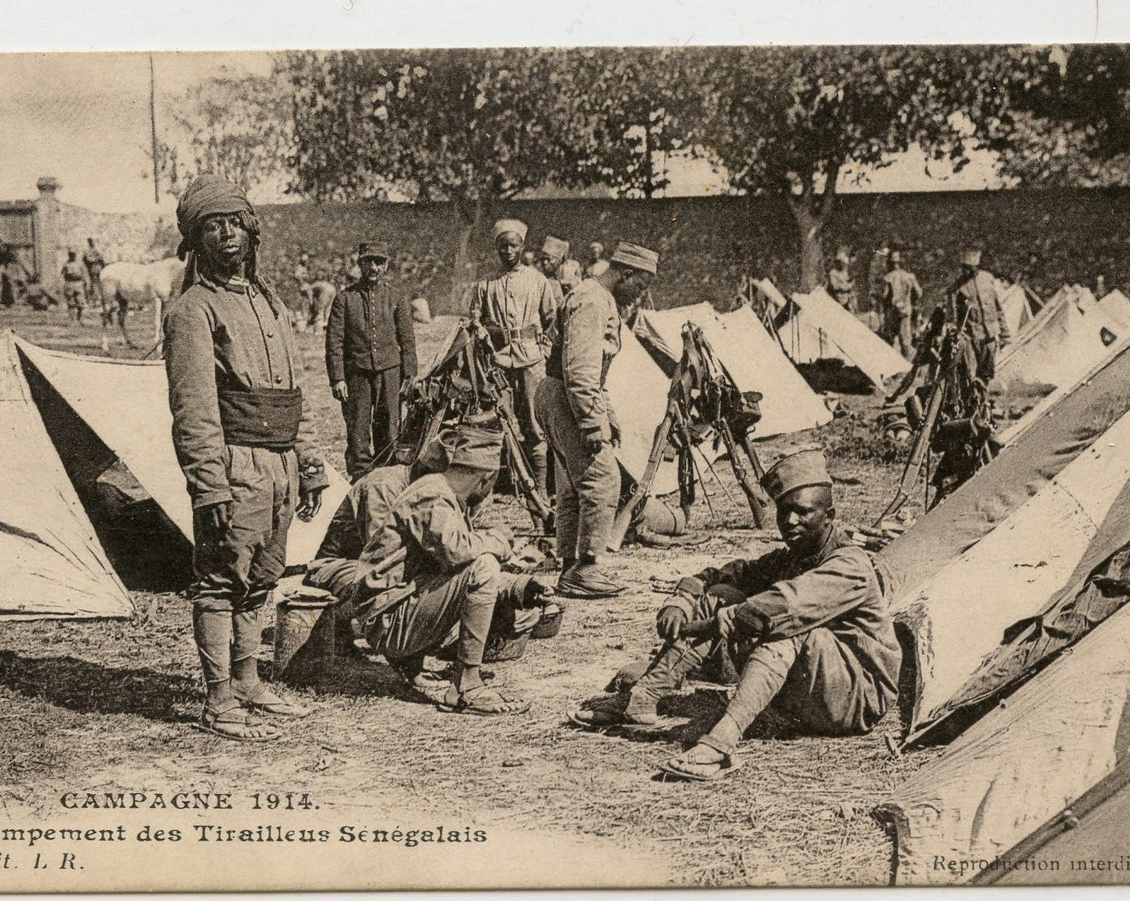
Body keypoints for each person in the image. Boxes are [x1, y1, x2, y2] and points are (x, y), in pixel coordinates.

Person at [567, 449, 901, 781]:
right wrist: (684, 598)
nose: (790, 522)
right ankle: (643, 698)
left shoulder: (850, 565)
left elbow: (788, 604)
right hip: (811, 692)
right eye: (783, 512)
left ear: (830, 515)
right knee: (721, 596)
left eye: (802, 512)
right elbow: (727, 575)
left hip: (855, 698)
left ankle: (721, 744)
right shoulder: (794, 556)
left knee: (784, 626)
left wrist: (731, 617)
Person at [163, 174, 328, 741]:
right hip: (235, 466)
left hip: (280, 464)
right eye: (212, 225)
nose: (226, 233)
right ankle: (217, 700)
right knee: (218, 581)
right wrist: (209, 485)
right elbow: (194, 410)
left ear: (252, 229)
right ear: (196, 239)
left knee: (262, 578)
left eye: (234, 221)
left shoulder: (269, 301)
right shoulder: (192, 311)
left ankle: (249, 681)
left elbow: (294, 393)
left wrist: (308, 464)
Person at [365, 425, 553, 713]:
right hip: (385, 622)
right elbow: (459, 554)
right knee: (485, 565)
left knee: (483, 567)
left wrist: (517, 586)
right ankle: (467, 685)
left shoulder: (444, 494)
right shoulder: (432, 496)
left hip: (395, 611)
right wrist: (498, 539)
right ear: (486, 478)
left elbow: (451, 572)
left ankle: (416, 663)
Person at [536, 240, 658, 599]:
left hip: (561, 393)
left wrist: (609, 415)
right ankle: (586, 568)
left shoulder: (595, 296)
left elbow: (591, 374)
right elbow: (581, 372)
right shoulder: (591, 300)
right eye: (642, 284)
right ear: (628, 273)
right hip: (567, 395)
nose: (641, 294)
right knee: (602, 480)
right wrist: (592, 424)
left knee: (574, 486)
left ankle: (569, 564)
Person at [467, 219, 559, 498]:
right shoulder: (486, 283)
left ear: (522, 247)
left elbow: (553, 320)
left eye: (513, 246)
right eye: (502, 246)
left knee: (534, 422)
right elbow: (474, 318)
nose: (507, 251)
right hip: (498, 361)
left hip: (531, 358)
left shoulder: (537, 280)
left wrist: (543, 348)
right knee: (498, 422)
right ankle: (499, 483)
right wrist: (481, 332)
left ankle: (541, 486)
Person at [326, 242, 417, 480]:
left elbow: (407, 338)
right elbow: (334, 342)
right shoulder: (344, 299)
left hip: (390, 372)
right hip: (358, 374)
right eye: (369, 262)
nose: (374, 267)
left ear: (386, 266)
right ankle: (360, 479)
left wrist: (409, 374)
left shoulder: (396, 298)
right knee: (358, 429)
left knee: (388, 428)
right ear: (360, 265)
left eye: (379, 262)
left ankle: (386, 479)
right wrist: (337, 378)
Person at [944, 246, 1011, 383]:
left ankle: (982, 397)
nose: (968, 270)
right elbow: (952, 316)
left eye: (972, 267)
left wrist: (1005, 334)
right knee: (968, 373)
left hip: (990, 333)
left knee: (987, 370)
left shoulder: (988, 279)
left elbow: (997, 308)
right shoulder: (957, 287)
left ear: (977, 266)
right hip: (970, 335)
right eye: (966, 267)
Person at [879, 249, 923, 358]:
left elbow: (884, 296)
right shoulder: (910, 277)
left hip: (893, 312)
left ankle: (889, 368)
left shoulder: (888, 277)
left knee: (888, 341)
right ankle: (907, 366)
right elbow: (919, 293)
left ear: (889, 263)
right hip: (906, 310)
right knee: (906, 341)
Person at [61, 249, 87, 322]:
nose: (72, 256)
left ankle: (79, 318)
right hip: (70, 284)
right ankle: (72, 320)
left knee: (80, 303)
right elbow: (63, 274)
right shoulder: (66, 264)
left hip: (78, 284)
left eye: (73, 254)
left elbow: (84, 274)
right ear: (69, 255)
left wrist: (85, 283)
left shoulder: (79, 264)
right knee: (71, 303)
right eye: (71, 254)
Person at [82, 237, 106, 302]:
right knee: (94, 283)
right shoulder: (88, 251)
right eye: (90, 242)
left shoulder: (96, 250)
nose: (91, 243)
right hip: (93, 268)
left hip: (96, 268)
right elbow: (85, 260)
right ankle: (97, 298)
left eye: (92, 242)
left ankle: (101, 297)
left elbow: (102, 260)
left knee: (98, 283)